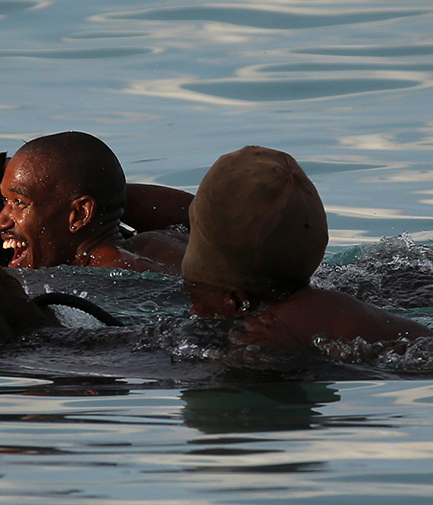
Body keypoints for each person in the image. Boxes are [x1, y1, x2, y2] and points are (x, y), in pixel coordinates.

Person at [183, 145, 431, 351]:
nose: (193, 309)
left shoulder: (261, 343)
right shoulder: (354, 297)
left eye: (195, 294)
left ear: (237, 302)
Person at [0, 131, 188, 274]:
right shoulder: (167, 240)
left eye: (20, 202)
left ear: (80, 214)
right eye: (5, 200)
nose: (0, 222)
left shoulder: (109, 277)